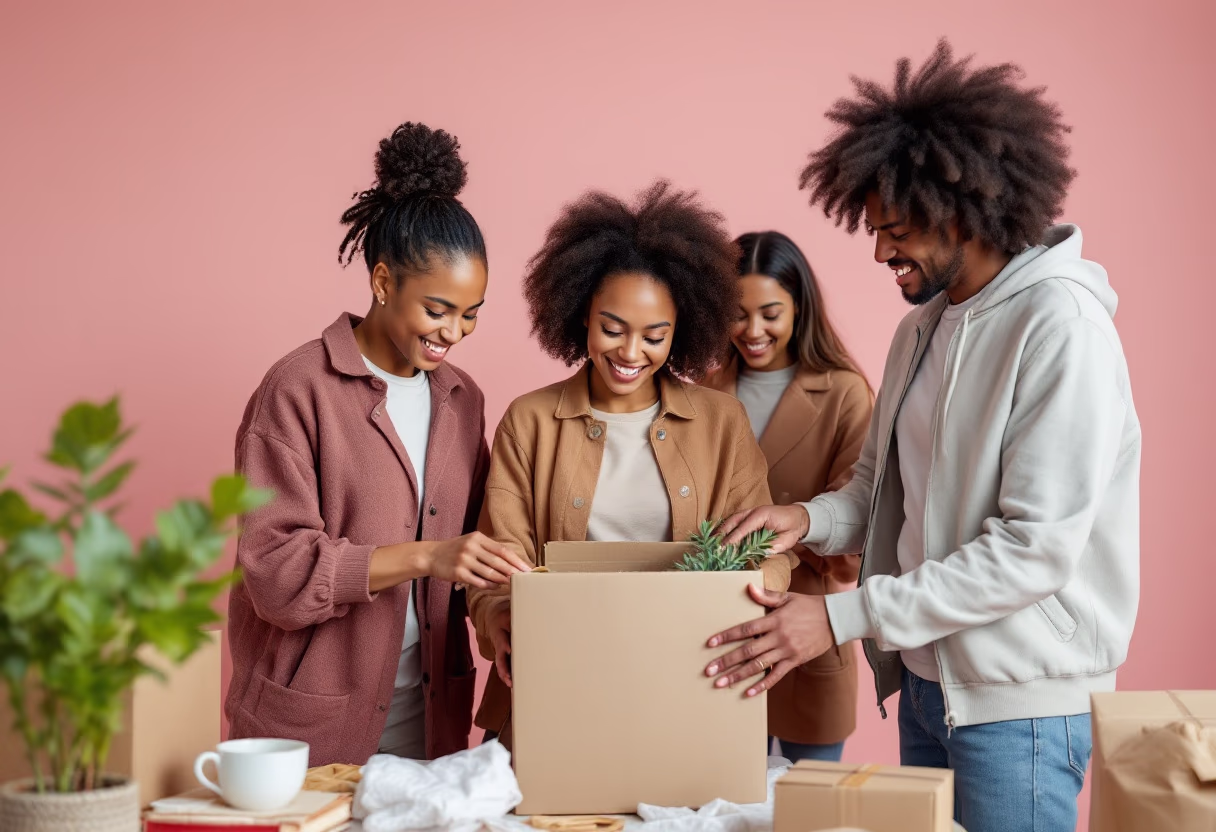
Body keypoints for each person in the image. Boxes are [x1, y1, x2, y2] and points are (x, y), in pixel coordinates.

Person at [705, 41, 1140, 832]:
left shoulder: (1062, 327)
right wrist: (805, 520)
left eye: (897, 229)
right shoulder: (923, 330)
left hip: (1021, 707)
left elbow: (1033, 549)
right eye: (873, 227)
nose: (878, 252)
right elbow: (880, 493)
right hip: (929, 683)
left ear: (962, 210)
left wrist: (838, 618)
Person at [225, 122, 531, 766]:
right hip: (309, 727)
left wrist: (498, 613)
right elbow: (276, 576)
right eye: (438, 309)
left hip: (430, 721)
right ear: (385, 282)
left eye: (471, 313)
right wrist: (426, 557)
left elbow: (473, 547)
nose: (455, 331)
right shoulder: (297, 389)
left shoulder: (461, 398)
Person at [468, 181, 798, 748]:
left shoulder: (723, 423)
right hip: (555, 687)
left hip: (689, 687)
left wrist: (746, 594)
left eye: (655, 336)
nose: (629, 353)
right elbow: (500, 556)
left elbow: (769, 549)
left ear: (683, 331)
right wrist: (499, 614)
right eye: (612, 329)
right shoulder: (529, 420)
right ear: (581, 315)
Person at [703, 231, 871, 763]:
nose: (753, 331)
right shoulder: (703, 391)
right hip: (716, 629)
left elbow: (863, 520)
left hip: (807, 627)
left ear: (800, 308)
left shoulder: (846, 392)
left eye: (770, 312)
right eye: (738, 312)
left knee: (809, 813)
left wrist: (787, 539)